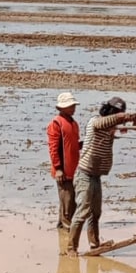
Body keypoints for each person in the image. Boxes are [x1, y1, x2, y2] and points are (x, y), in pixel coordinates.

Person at [67, 97, 136, 256]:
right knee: (82, 212)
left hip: (96, 176)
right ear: (110, 112)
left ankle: (95, 245)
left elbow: (117, 123)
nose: (118, 116)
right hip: (85, 175)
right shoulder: (96, 122)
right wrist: (132, 116)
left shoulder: (110, 127)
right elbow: (116, 120)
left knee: (95, 213)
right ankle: (71, 249)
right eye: (117, 113)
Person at [47, 92, 81, 230]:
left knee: (70, 203)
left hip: (73, 169)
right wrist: (58, 169)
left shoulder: (73, 123)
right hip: (63, 171)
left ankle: (63, 229)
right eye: (70, 106)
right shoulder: (56, 124)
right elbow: (53, 148)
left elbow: (73, 144)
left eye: (73, 105)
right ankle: (68, 237)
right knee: (67, 203)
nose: (73, 108)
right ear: (61, 108)